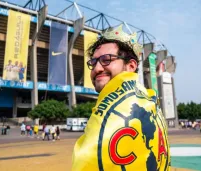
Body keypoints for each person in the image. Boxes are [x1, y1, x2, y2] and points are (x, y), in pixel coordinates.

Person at [72, 25, 170, 171]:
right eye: (93, 62)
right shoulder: (150, 104)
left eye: (106, 59)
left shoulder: (117, 115)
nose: (97, 69)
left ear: (131, 66)